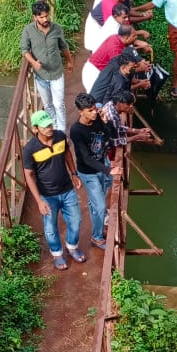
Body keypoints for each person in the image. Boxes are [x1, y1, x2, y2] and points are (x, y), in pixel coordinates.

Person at [22, 110, 85, 270]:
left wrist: (73, 173)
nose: (49, 128)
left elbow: (67, 154)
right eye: (44, 127)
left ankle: (72, 247)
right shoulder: (30, 149)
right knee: (50, 228)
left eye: (50, 124)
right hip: (47, 195)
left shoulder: (60, 136)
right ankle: (57, 254)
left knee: (76, 221)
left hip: (67, 189)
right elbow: (28, 175)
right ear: (36, 129)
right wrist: (39, 201)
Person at [20, 0, 73, 134]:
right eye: (41, 17)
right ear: (35, 17)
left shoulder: (56, 29)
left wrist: (70, 61)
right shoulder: (28, 31)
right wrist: (33, 62)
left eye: (46, 16)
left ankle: (62, 132)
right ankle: (54, 126)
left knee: (59, 104)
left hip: (56, 73)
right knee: (48, 104)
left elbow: (64, 47)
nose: (45, 19)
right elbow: (25, 50)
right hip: (41, 75)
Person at [69, 94, 112, 251]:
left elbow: (109, 137)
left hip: (100, 166)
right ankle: (97, 237)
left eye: (95, 109)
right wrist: (108, 169)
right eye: (90, 110)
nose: (95, 112)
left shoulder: (98, 119)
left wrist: (105, 122)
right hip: (88, 173)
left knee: (96, 204)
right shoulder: (76, 130)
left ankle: (98, 228)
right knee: (100, 206)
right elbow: (86, 158)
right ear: (81, 112)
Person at [82, 23, 152, 93]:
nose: (136, 37)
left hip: (99, 69)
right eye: (134, 36)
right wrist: (140, 69)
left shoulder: (116, 37)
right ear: (127, 38)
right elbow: (119, 72)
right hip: (94, 74)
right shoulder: (114, 50)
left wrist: (138, 79)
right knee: (98, 99)